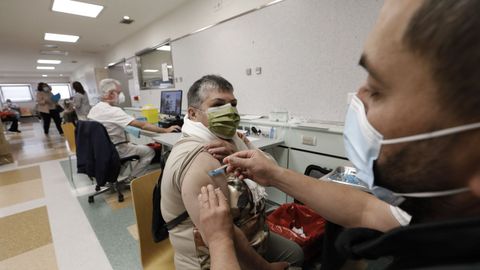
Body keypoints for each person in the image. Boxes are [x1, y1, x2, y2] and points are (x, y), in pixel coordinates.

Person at [198, 0, 480, 269]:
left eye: (378, 89)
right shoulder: (440, 213)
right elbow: (365, 210)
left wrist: (220, 239)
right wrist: (274, 174)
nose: (357, 98)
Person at [160, 75, 303, 270]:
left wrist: (239, 153)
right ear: (193, 114)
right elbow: (223, 235)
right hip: (213, 255)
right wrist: (264, 268)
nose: (230, 111)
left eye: (233, 104)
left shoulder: (234, 139)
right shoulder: (200, 159)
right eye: (218, 104)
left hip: (253, 231)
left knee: (297, 254)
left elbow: (269, 168)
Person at [87, 78, 180, 179]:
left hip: (101, 150)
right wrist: (166, 130)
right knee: (149, 151)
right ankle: (132, 179)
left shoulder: (94, 109)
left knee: (133, 146)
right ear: (111, 94)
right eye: (119, 92)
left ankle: (115, 176)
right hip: (117, 149)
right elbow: (143, 125)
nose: (121, 95)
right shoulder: (114, 111)